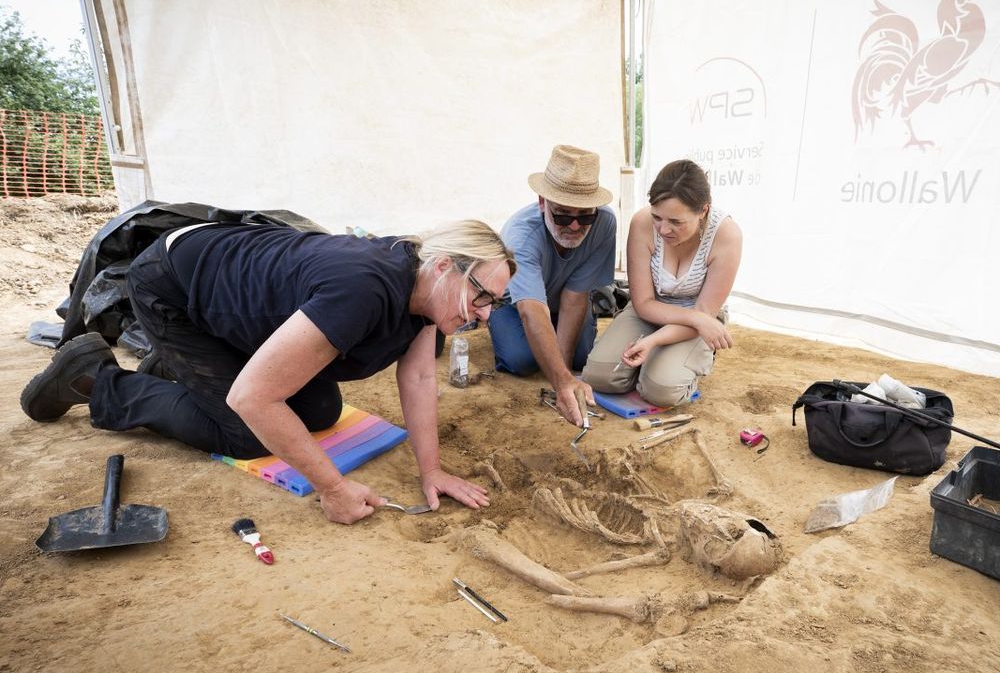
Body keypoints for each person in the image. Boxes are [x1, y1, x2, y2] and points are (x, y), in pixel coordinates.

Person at [20, 219, 515, 525]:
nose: (486, 314)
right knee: (245, 430)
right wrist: (334, 490)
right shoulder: (363, 290)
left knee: (321, 408)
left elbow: (421, 378)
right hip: (174, 287)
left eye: (496, 302)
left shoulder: (425, 293)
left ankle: (181, 370)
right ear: (446, 265)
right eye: (483, 296)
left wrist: (432, 471)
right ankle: (96, 379)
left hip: (234, 294)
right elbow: (253, 399)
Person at [582, 159, 742, 406]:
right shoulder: (642, 223)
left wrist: (653, 340)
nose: (663, 229)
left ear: (703, 211)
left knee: (660, 391)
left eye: (676, 222)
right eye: (657, 217)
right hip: (653, 311)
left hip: (696, 320)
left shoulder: (727, 235)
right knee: (600, 377)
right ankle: (659, 360)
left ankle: (681, 361)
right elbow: (643, 303)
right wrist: (695, 321)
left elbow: (703, 314)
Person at [488, 144, 617, 426]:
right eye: (562, 215)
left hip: (563, 303)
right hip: (518, 305)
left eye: (585, 216)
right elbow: (531, 311)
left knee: (581, 360)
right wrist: (561, 382)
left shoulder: (606, 223)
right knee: (522, 360)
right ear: (542, 203)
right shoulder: (521, 235)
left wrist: (565, 371)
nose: (574, 226)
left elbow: (576, 295)